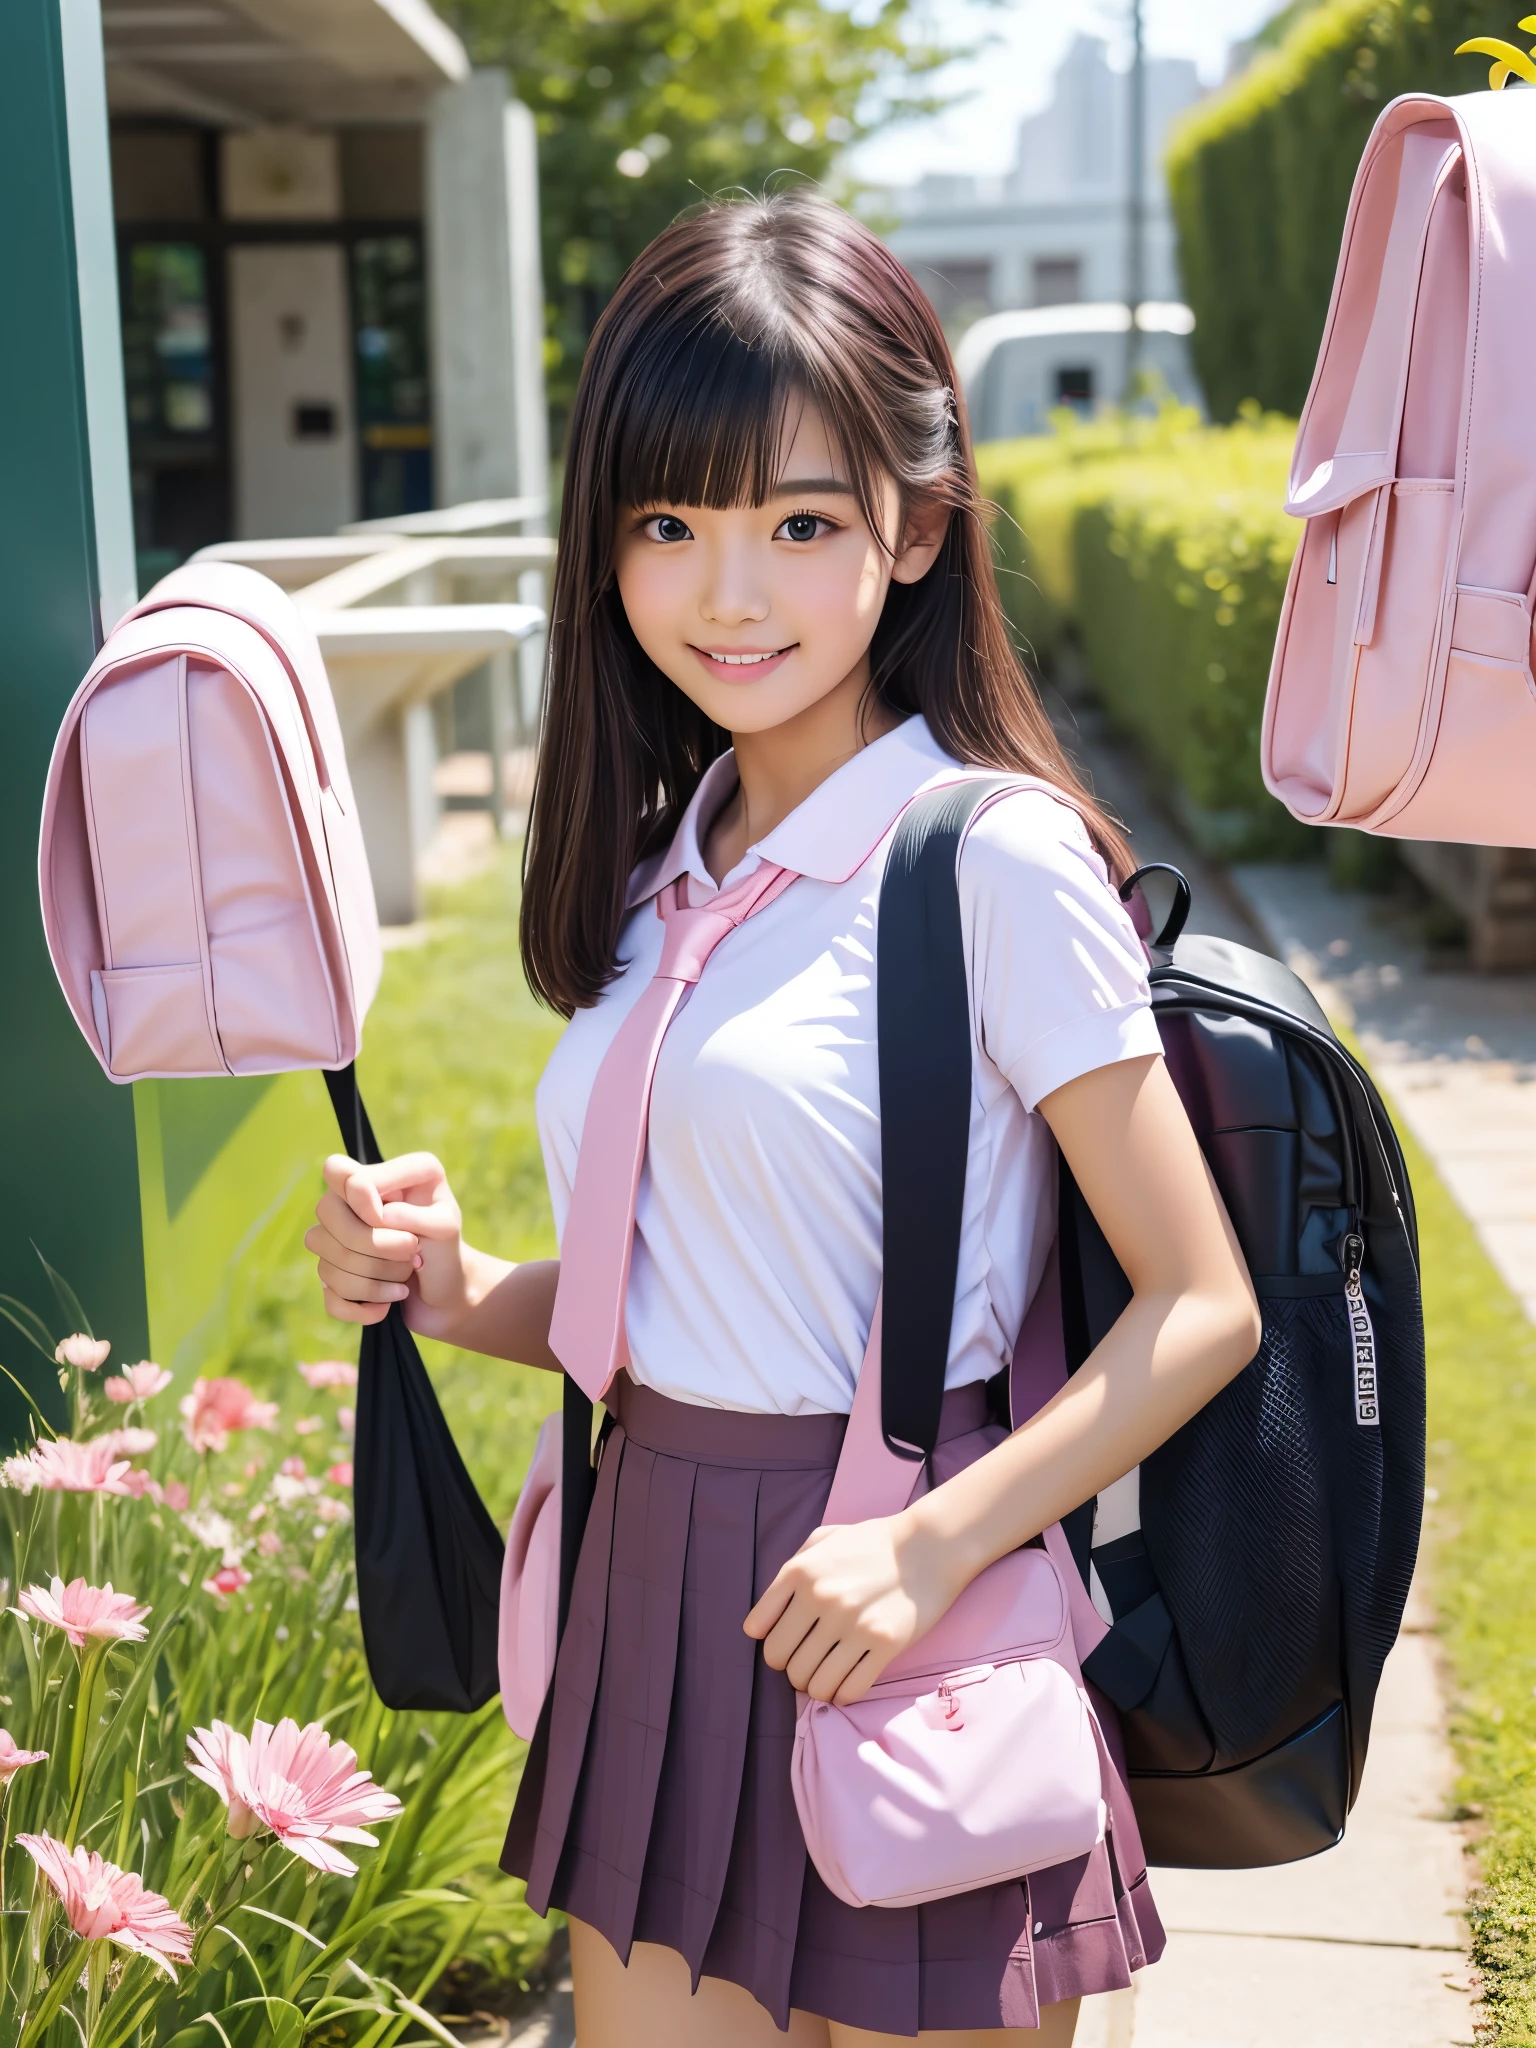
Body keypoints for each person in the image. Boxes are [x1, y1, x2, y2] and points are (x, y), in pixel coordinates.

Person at [307, 191, 1260, 2047]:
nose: (730, 594)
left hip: (906, 1595)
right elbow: (687, 1291)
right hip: (649, 1587)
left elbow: (1197, 1302)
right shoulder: (673, 864)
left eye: (800, 524)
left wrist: (928, 1549)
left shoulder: (989, 862)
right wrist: (457, 1281)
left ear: (911, 527)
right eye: (670, 525)